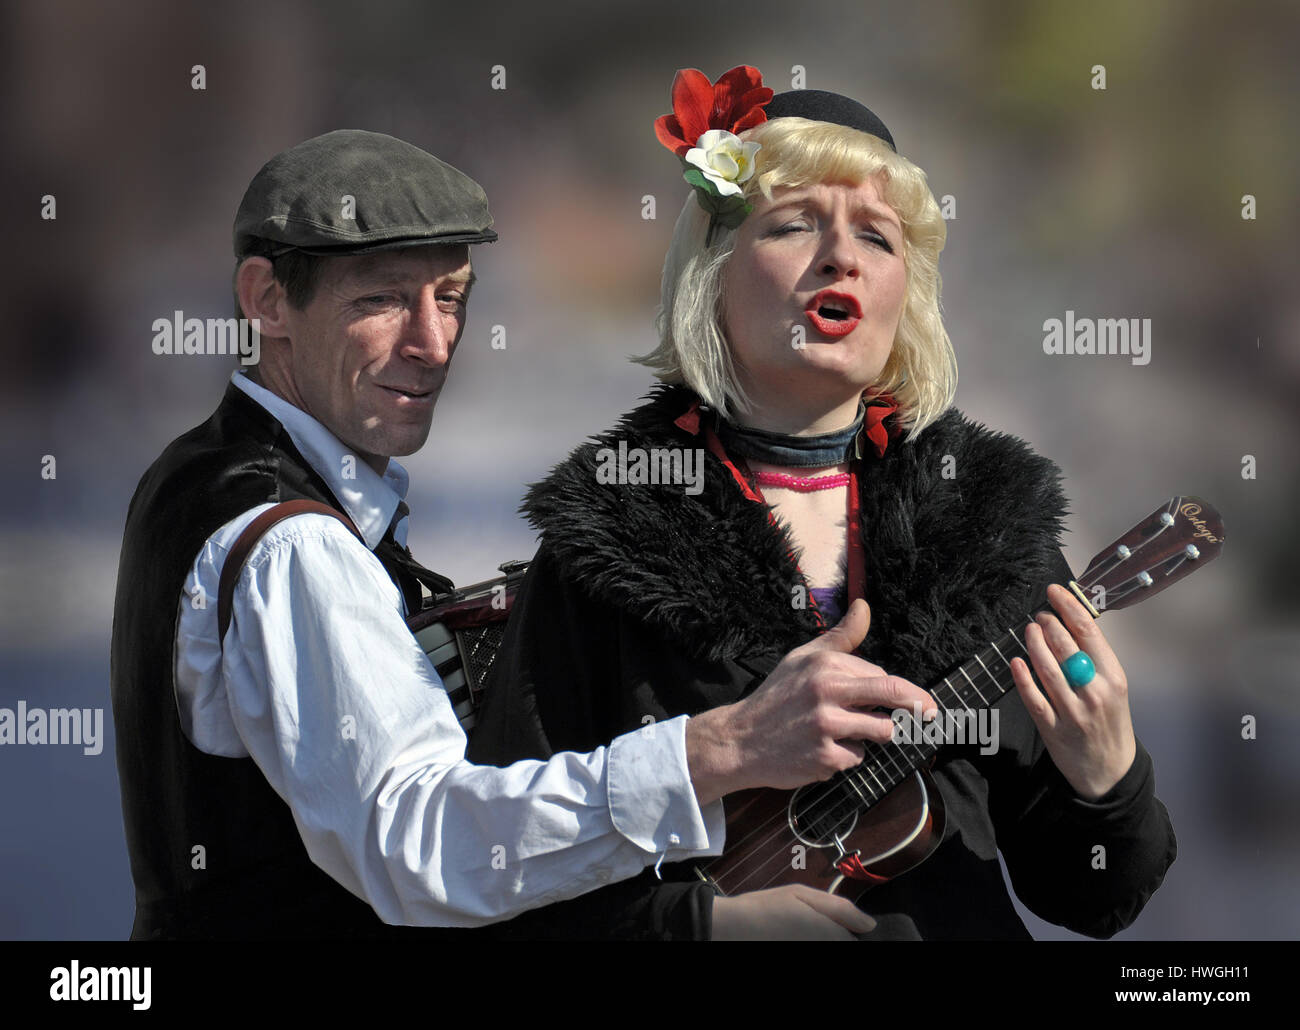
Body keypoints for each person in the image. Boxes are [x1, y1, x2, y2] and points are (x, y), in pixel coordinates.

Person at [109, 128, 921, 939]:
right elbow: (419, 844)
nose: (431, 344)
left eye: (452, 298)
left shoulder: (194, 473)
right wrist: (718, 748)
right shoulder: (295, 546)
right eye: (382, 299)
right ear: (266, 300)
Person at [468, 66, 1176, 940]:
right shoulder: (603, 536)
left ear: (902, 299)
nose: (841, 255)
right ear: (714, 276)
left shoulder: (988, 520)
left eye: (877, 238)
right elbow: (498, 868)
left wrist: (1108, 779)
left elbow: (1092, 898)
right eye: (797, 223)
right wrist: (698, 926)